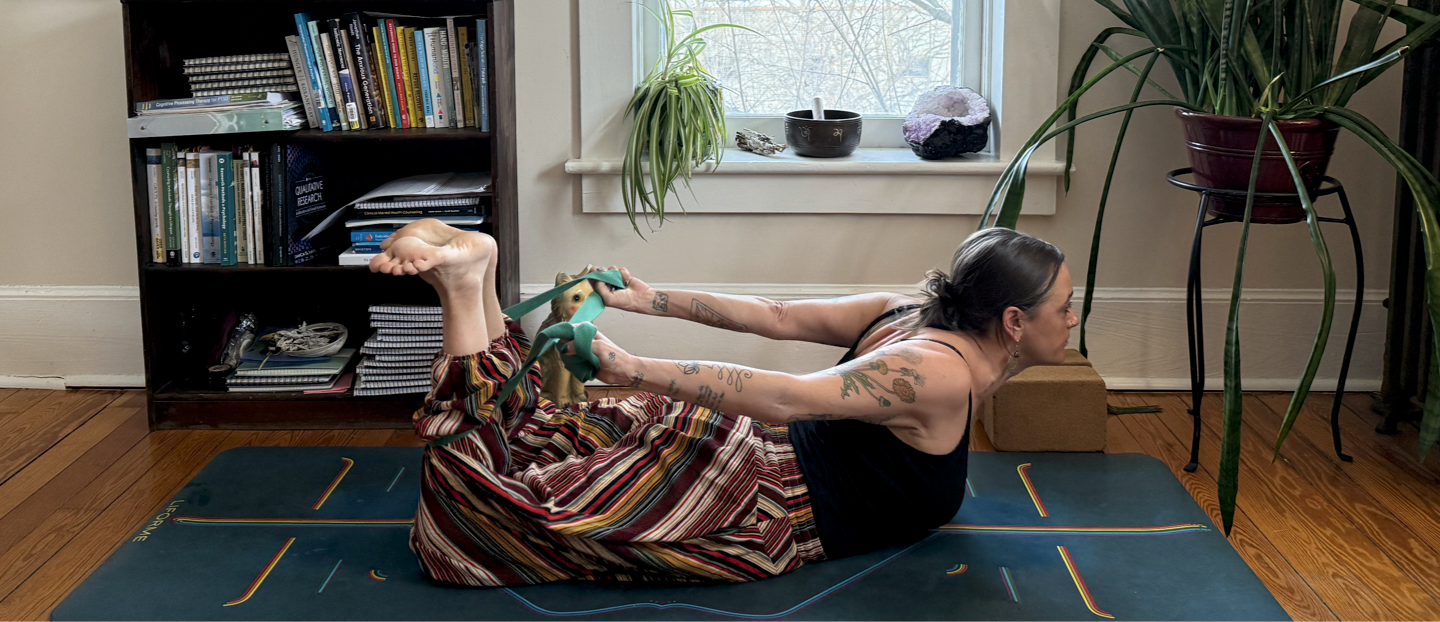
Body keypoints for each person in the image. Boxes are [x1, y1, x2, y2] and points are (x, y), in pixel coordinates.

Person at [369, 221, 1077, 587]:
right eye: (1064, 307)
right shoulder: (940, 373)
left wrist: (651, 300)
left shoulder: (914, 311)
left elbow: (773, 315)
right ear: (1012, 321)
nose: (1073, 319)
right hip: (752, 501)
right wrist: (634, 366)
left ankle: (479, 274)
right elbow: (789, 396)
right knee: (473, 528)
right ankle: (464, 289)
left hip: (734, 452)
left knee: (537, 437)